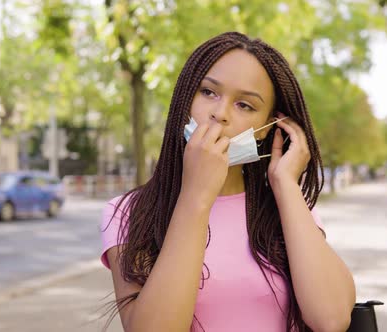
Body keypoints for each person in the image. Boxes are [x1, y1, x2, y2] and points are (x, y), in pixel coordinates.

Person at [100, 31, 355, 332]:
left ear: (265, 128)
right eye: (208, 92)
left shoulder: (287, 208)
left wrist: (285, 184)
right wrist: (196, 194)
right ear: (185, 99)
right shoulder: (130, 212)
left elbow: (332, 319)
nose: (219, 114)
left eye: (245, 105)